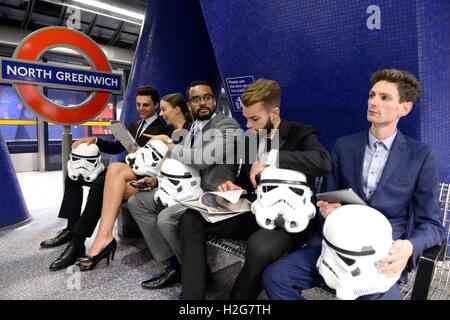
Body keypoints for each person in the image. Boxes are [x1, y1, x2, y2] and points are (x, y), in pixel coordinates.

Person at [262, 69, 446, 300]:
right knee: (275, 277)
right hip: (333, 247)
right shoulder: (344, 146)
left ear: (405, 108)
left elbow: (433, 225)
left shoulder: (421, 156)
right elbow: (328, 198)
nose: (373, 102)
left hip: (379, 257)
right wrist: (327, 211)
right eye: (371, 95)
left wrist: (409, 246)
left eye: (384, 97)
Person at [180, 78, 332, 299]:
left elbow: (322, 162)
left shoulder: (301, 133)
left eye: (254, 119)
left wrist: (272, 157)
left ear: (274, 112)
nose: (248, 125)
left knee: (260, 246)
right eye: (246, 118)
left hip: (286, 219)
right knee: (191, 218)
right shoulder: (252, 139)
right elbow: (247, 181)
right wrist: (233, 187)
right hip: (254, 210)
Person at [127, 81, 241, 290]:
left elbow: (203, 159)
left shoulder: (227, 126)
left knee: (166, 218)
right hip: (185, 190)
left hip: (210, 194)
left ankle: (197, 273)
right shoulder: (192, 130)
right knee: (137, 202)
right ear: (189, 105)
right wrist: (157, 180)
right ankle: (174, 265)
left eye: (207, 97)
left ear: (214, 100)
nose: (203, 102)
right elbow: (184, 166)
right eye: (196, 99)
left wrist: (170, 147)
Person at [41, 85, 169, 271]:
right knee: (74, 177)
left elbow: (158, 162)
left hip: (139, 176)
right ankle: (70, 228)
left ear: (156, 105)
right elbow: (118, 148)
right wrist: (95, 140)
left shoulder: (163, 129)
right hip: (123, 171)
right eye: (138, 104)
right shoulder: (135, 125)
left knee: (100, 183)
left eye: (146, 105)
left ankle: (78, 242)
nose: (141, 108)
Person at [77, 93, 192, 270]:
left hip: (174, 185)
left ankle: (101, 238)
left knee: (111, 186)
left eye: (163, 109)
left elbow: (185, 163)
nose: (161, 113)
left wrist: (166, 146)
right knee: (114, 170)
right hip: (155, 177)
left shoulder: (184, 131)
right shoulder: (165, 131)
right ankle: (104, 236)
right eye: (138, 104)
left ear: (177, 109)